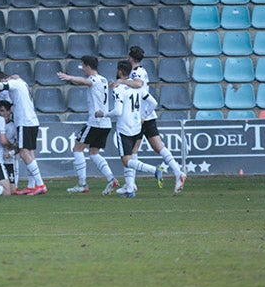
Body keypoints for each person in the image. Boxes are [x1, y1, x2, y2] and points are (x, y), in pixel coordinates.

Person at [115, 45, 187, 194]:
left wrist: (121, 82)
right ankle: (177, 172)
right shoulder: (141, 70)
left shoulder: (137, 72)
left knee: (132, 151)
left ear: (130, 57)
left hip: (139, 116)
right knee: (156, 147)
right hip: (145, 115)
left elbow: (139, 84)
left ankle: (131, 184)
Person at [57, 56, 120, 195]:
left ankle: (82, 184)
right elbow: (84, 83)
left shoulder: (93, 79)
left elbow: (86, 81)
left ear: (87, 66)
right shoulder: (103, 79)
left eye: (83, 66)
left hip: (95, 122)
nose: (82, 69)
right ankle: (111, 179)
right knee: (94, 152)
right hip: (105, 123)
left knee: (77, 149)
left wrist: (68, 77)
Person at [105, 60, 156, 198]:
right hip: (137, 126)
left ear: (120, 71)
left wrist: (103, 114)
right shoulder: (137, 87)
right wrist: (144, 116)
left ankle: (153, 170)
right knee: (130, 156)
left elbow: (117, 111)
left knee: (126, 160)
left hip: (124, 127)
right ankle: (129, 189)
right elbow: (153, 103)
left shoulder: (119, 88)